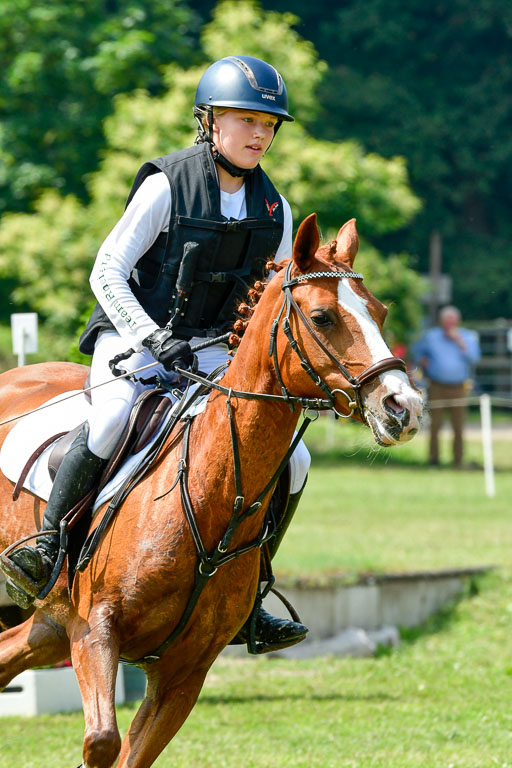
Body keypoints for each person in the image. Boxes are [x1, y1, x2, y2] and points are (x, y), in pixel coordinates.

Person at [6, 55, 310, 650]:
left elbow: (272, 303)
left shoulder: (275, 209)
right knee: (113, 418)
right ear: (211, 121)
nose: (259, 134)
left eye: (269, 124)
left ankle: (251, 592)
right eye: (246, 119)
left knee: (292, 462)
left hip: (211, 352)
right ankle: (48, 547)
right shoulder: (166, 183)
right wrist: (152, 337)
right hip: (133, 338)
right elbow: (107, 270)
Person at [413, 305, 481, 467]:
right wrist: (422, 360)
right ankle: (433, 460)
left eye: (453, 321)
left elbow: (475, 358)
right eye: (447, 320)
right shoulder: (431, 336)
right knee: (435, 425)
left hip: (459, 387)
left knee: (458, 425)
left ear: (458, 321)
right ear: (441, 321)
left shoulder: (467, 336)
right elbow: (416, 351)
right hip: (436, 386)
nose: (450, 323)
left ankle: (458, 460)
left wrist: (459, 341)